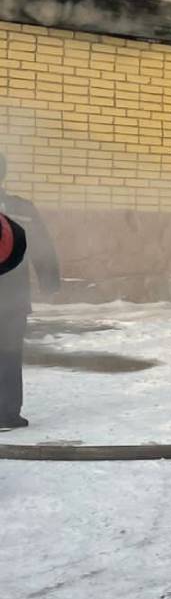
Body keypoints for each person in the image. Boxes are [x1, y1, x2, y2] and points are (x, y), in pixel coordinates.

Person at [0, 154, 60, 432]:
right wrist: (49, 281)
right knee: (10, 353)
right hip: (14, 299)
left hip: (13, 300)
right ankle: (8, 413)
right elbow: (42, 245)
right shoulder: (22, 208)